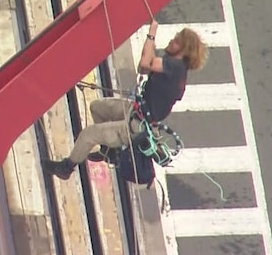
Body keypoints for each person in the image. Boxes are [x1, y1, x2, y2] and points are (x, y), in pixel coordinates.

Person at [42, 21, 208, 180]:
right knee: (97, 107)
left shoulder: (175, 67)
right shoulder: (174, 67)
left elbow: (145, 62)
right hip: (136, 110)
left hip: (136, 125)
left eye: (177, 42)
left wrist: (152, 33)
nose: (172, 41)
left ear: (185, 51)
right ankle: (109, 151)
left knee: (88, 135)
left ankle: (66, 168)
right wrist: (151, 39)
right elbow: (143, 68)